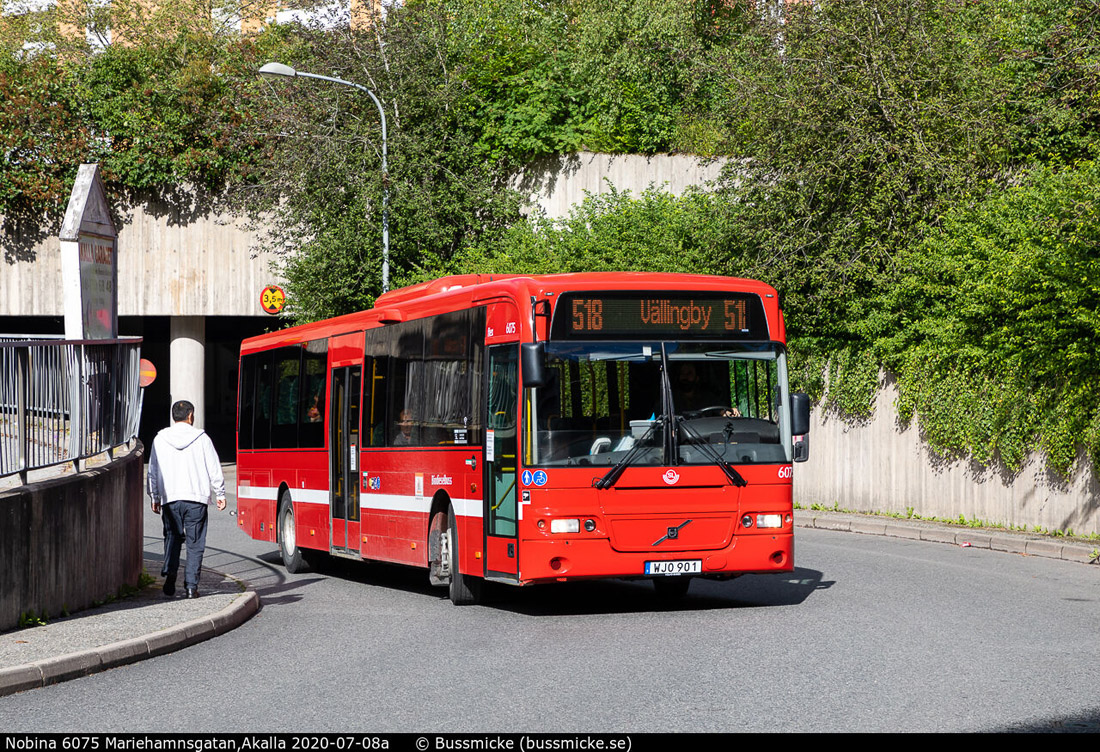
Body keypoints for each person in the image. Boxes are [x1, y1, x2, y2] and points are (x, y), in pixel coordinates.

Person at [147, 400, 226, 599]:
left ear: (174, 416)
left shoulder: (160, 439)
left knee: (172, 538)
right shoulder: (202, 438)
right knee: (195, 543)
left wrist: (155, 496)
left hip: (170, 498)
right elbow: (213, 467)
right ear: (190, 415)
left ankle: (170, 575)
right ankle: (191, 587)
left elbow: (153, 471)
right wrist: (220, 493)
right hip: (196, 498)